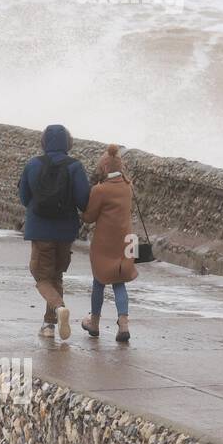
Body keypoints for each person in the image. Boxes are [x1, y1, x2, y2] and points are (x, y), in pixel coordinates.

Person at [18, 124, 91, 340]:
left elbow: (24, 198)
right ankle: (49, 325)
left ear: (43, 142)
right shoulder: (75, 166)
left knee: (41, 276)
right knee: (56, 275)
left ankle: (59, 309)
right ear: (68, 142)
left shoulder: (33, 165)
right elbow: (83, 200)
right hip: (65, 231)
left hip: (40, 230)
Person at [81, 144, 138, 342]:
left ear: (104, 168)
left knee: (99, 280)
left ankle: (94, 322)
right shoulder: (128, 187)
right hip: (125, 242)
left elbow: (89, 217)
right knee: (119, 282)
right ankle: (123, 323)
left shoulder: (100, 190)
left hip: (105, 243)